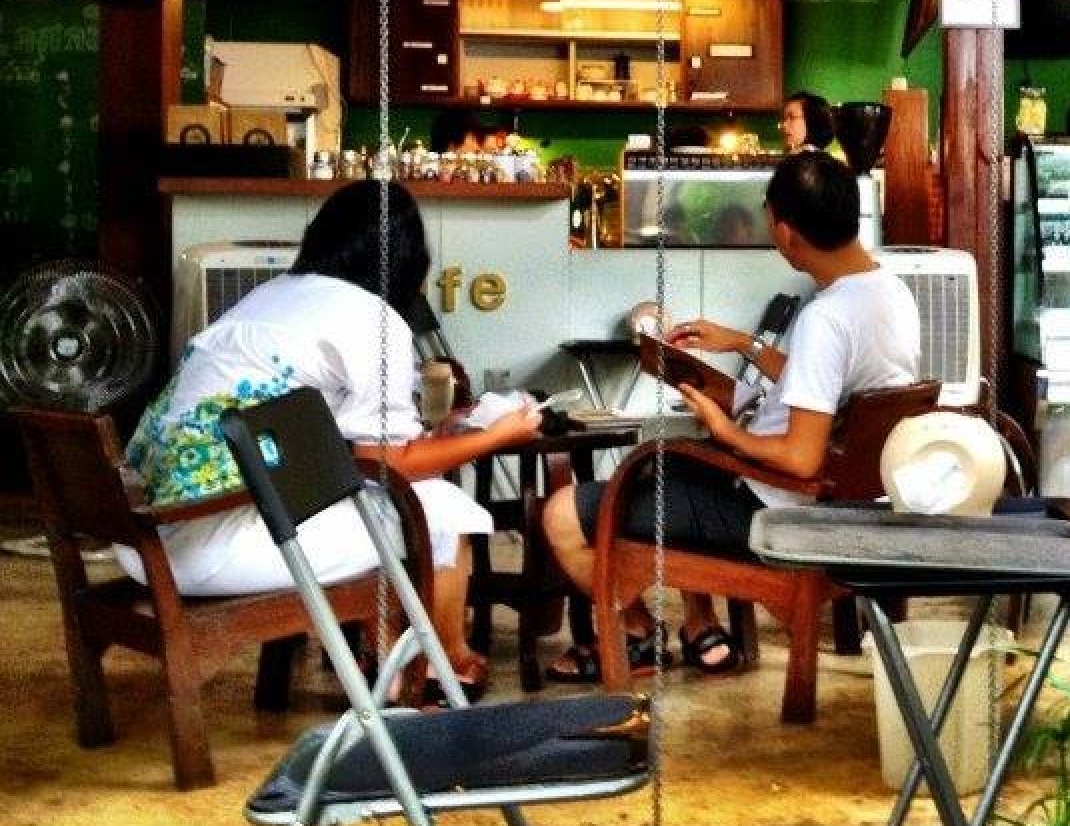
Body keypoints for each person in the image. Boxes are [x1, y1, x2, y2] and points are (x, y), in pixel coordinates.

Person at [121, 181, 540, 699]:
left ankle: (387, 661)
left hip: (147, 539)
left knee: (385, 503)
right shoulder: (372, 318)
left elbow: (335, 435)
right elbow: (390, 462)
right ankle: (443, 666)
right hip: (215, 546)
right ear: (408, 261)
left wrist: (439, 435)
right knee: (440, 509)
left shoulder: (268, 295)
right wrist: (499, 434)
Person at [542, 150, 919, 677]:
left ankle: (637, 633)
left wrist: (724, 430)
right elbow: (821, 381)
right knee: (675, 467)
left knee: (563, 514)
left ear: (786, 233)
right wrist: (743, 344)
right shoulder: (890, 292)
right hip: (841, 500)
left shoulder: (827, 317)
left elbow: (801, 458)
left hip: (770, 510)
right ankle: (699, 625)